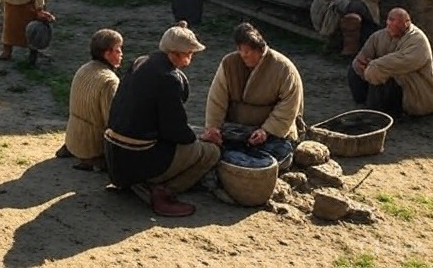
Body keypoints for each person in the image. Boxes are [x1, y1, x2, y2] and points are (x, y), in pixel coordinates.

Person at [104, 22, 221, 217]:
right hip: (138, 157)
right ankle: (164, 191)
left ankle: (140, 184)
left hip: (113, 154)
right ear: (176, 53)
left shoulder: (141, 61)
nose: (192, 55)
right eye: (189, 52)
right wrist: (203, 137)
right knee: (211, 152)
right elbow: (175, 131)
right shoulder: (169, 78)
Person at [203, 23, 304, 163]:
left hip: (270, 134)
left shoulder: (283, 69)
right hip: (236, 129)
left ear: (260, 50)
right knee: (212, 149)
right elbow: (217, 98)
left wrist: (266, 131)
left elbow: (289, 106)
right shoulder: (229, 63)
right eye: (240, 49)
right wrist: (213, 127)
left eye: (248, 51)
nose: (243, 55)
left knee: (276, 155)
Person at [56, 29, 124, 171]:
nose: (121, 54)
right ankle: (93, 161)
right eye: (118, 50)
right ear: (107, 54)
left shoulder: (84, 68)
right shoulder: (109, 81)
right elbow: (111, 120)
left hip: (72, 138)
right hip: (91, 146)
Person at [349, 8, 433, 117]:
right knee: (354, 68)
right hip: (378, 73)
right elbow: (363, 56)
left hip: (415, 90)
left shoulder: (418, 40)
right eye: (389, 20)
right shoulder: (379, 36)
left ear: (406, 23)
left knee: (387, 76)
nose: (389, 24)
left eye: (394, 21)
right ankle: (363, 103)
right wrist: (361, 64)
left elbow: (400, 63)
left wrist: (374, 65)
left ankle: (388, 113)